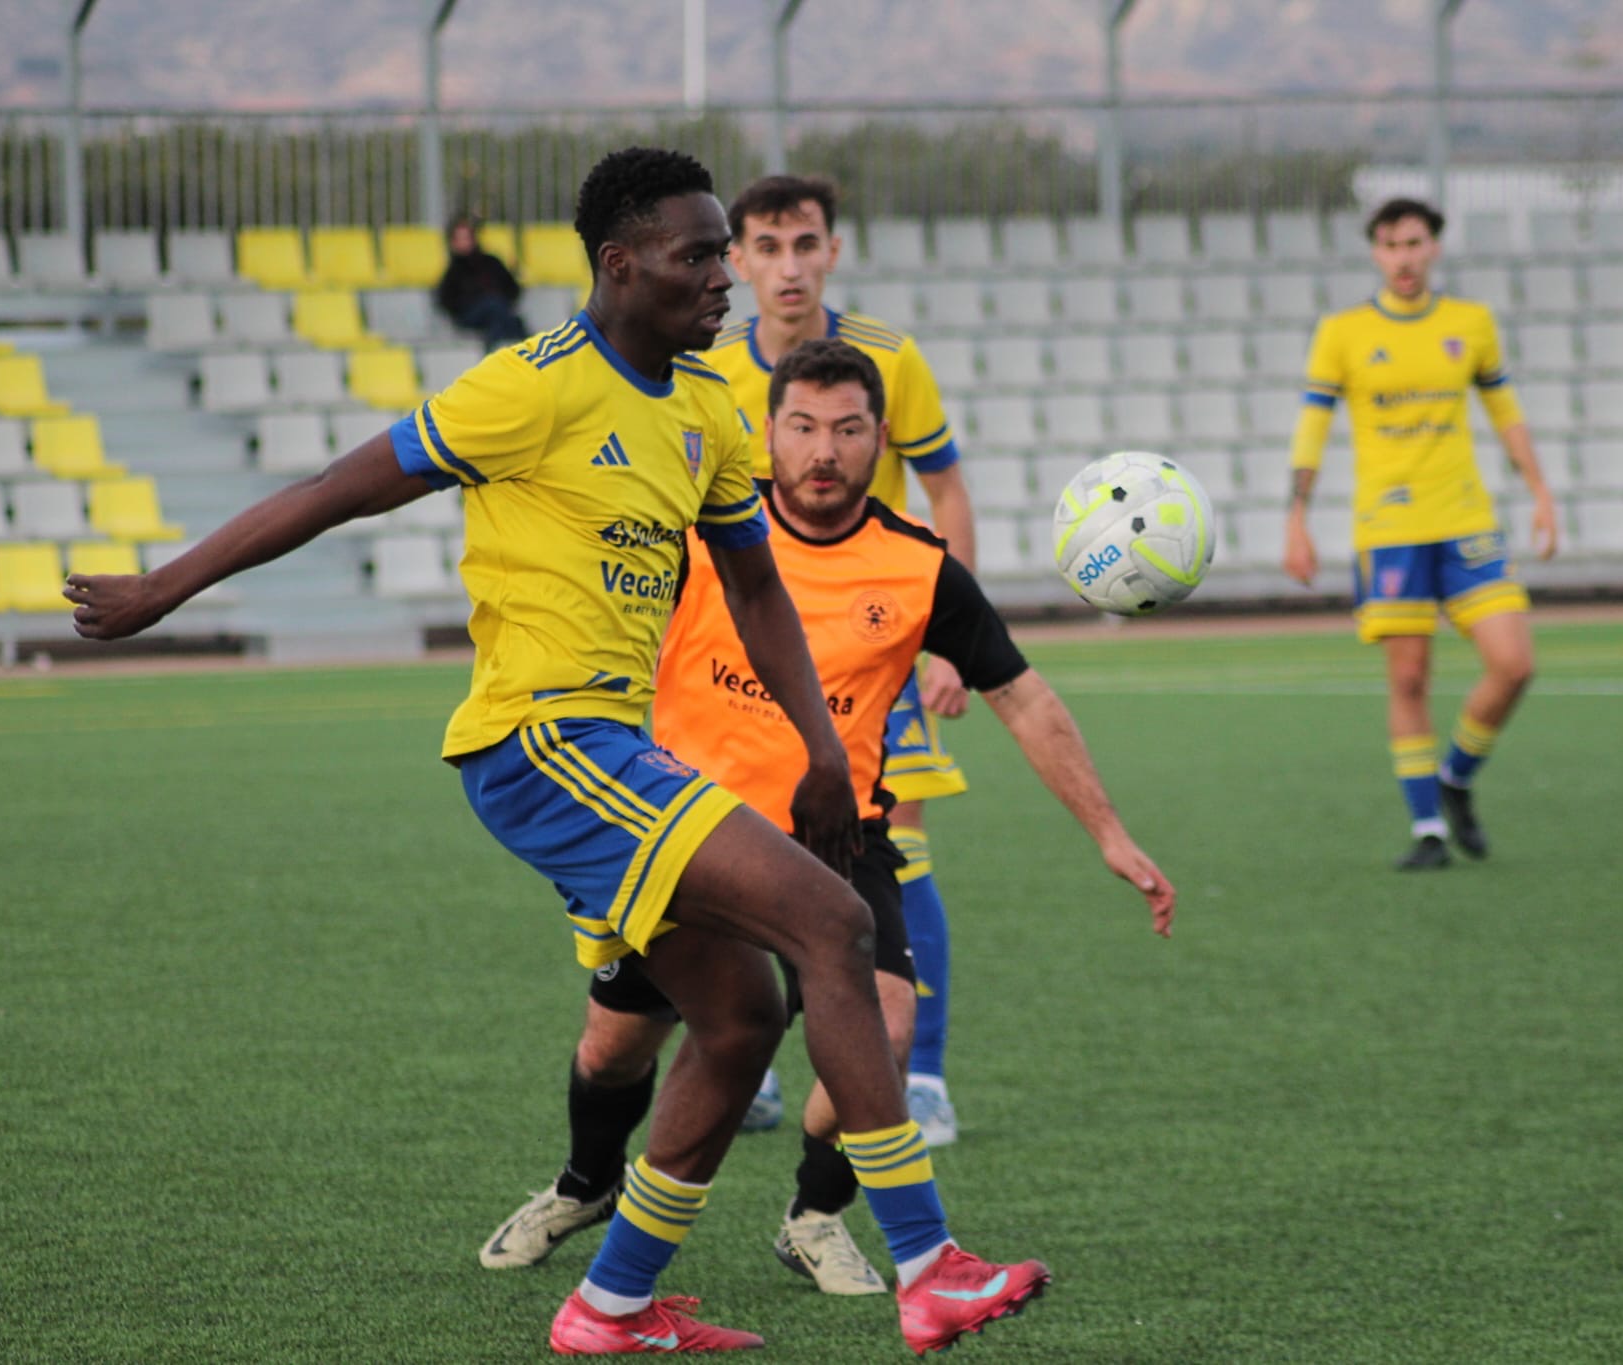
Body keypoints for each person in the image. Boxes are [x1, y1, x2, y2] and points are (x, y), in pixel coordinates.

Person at [65, 147, 1046, 1358]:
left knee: (739, 1020)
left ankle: (609, 1307)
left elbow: (755, 591)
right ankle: (930, 1266)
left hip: (614, 749)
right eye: (697, 255)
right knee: (834, 924)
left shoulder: (705, 410)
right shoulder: (527, 388)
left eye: (723, 255)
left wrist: (822, 752)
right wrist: (161, 588)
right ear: (618, 264)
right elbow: (335, 489)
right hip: (538, 741)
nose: (723, 279)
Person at [479, 339, 1175, 1302]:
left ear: (880, 440)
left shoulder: (919, 566)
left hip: (837, 840)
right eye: (802, 426)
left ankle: (815, 1214)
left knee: (888, 1021)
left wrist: (1110, 832)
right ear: (768, 432)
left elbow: (1021, 695)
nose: (823, 450)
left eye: (847, 430)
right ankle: (586, 1183)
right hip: (687, 833)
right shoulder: (701, 538)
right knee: (615, 1045)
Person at [702, 175, 977, 1144]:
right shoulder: (710, 371)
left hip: (871, 649)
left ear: (833, 250)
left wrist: (944, 639)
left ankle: (923, 1073)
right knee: (736, 854)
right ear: (738, 259)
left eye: (806, 243)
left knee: (896, 851)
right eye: (769, 246)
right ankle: (749, 1060)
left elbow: (946, 491)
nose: (790, 265)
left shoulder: (888, 359)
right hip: (750, 660)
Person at [1282, 197, 1559, 871]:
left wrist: (1541, 492)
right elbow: (1313, 426)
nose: (1402, 257)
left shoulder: (1471, 322)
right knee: (1409, 678)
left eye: (1413, 243)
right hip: (1391, 528)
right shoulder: (1343, 332)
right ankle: (1428, 828)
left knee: (1515, 664)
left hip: (1465, 520)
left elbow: (1506, 411)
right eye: (1389, 245)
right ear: (1375, 253)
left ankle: (1456, 776)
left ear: (1433, 246)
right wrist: (1296, 517)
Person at [435, 213, 529, 348]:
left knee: (499, 319)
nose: (464, 242)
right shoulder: (453, 271)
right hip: (470, 314)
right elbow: (447, 300)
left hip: (497, 311)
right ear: (453, 242)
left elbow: (512, 287)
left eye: (466, 237)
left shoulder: (492, 261)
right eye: (459, 239)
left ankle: (496, 350)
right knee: (503, 313)